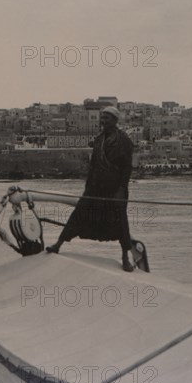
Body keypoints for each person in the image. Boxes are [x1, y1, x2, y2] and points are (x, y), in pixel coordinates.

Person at [46, 106, 135, 272]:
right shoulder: (99, 139)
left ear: (115, 121)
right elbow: (93, 165)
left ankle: (125, 257)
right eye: (102, 118)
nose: (103, 121)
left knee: (120, 221)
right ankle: (58, 244)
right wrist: (88, 186)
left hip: (115, 187)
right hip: (95, 186)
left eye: (106, 118)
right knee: (79, 212)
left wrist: (122, 188)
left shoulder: (123, 140)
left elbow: (126, 167)